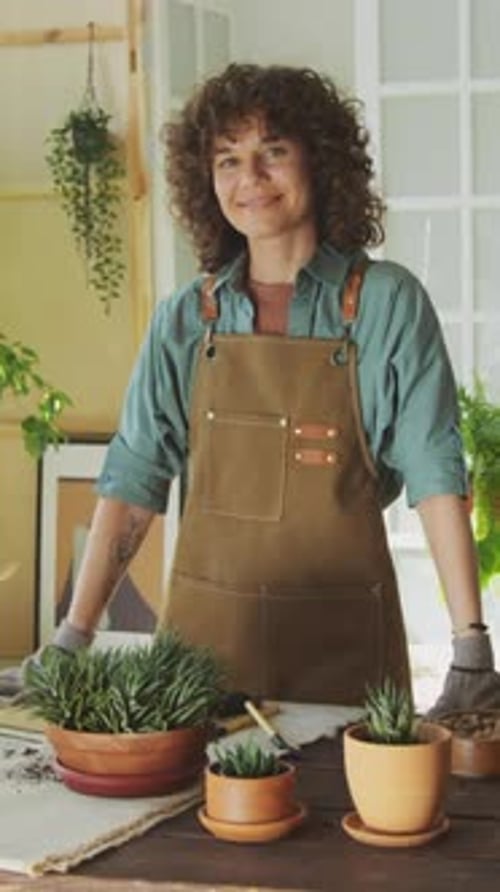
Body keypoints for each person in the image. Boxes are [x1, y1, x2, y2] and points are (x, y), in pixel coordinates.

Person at [2, 63, 500, 713]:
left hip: (344, 656)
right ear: (205, 180)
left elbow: (435, 471)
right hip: (200, 664)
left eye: (273, 153)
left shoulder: (385, 304)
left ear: (320, 162)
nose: (250, 180)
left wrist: (470, 647)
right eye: (228, 160)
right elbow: (134, 477)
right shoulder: (186, 318)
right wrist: (72, 640)